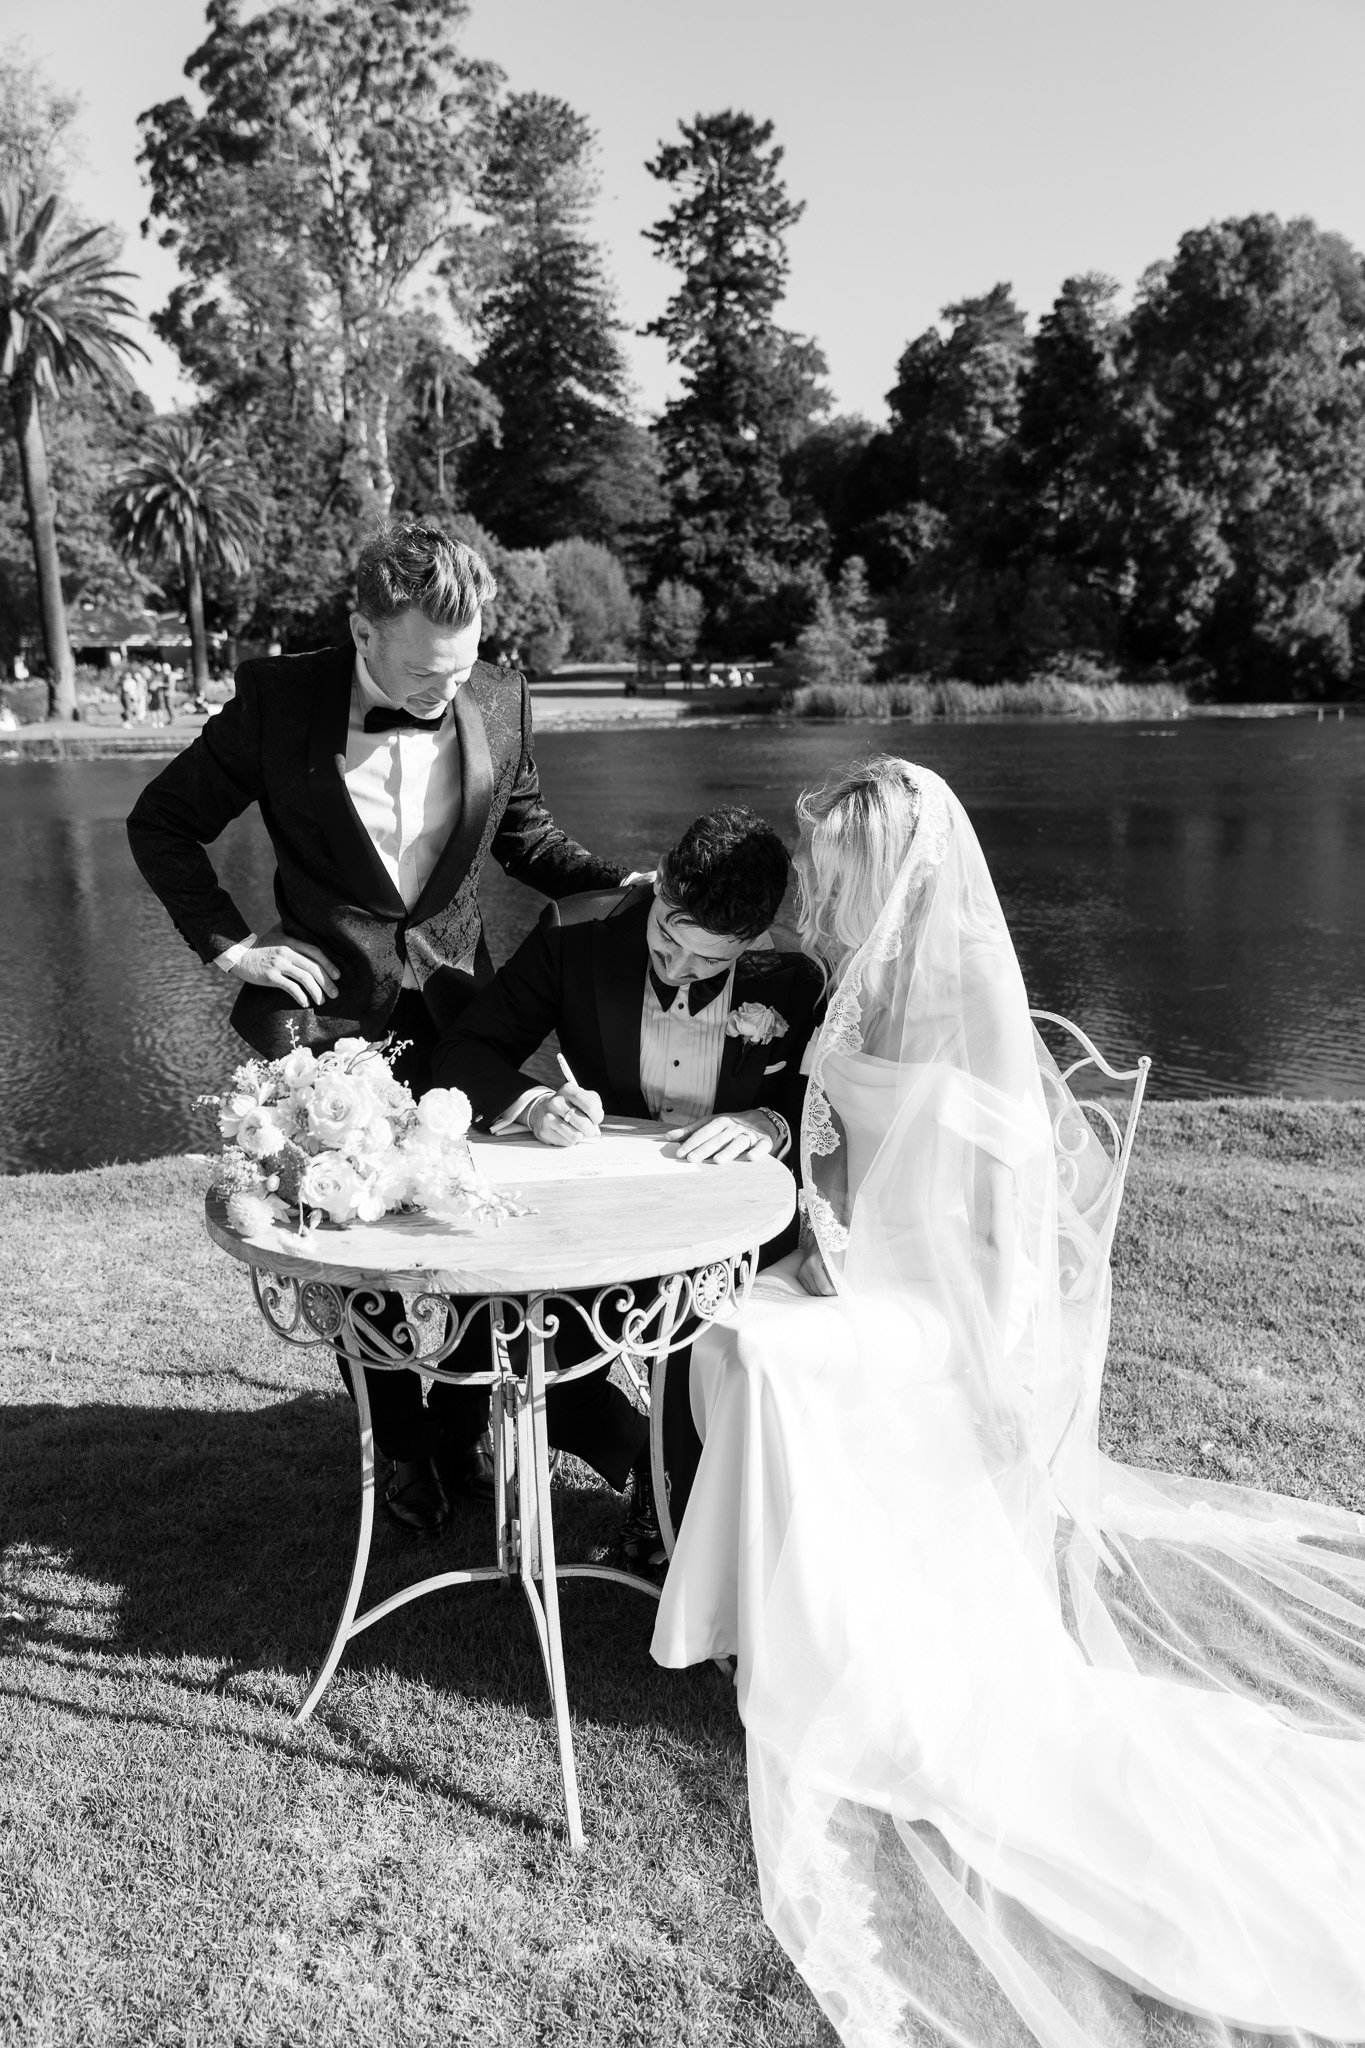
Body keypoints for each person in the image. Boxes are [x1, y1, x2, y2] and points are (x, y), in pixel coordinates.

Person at [652, 756, 1365, 2048]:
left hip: (940, 1313)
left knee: (759, 1354)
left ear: (884, 869)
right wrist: (813, 1222)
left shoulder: (966, 1000)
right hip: (860, 1276)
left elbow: (1014, 1216)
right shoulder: (853, 982)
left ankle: (820, 1661)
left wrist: (986, 1353)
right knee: (733, 1330)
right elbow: (844, 1152)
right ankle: (769, 1621)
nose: (812, 889)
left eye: (830, 869)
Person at [128, 519, 629, 1536]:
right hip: (325, 1028)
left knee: (475, 1218)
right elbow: (162, 821)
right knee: (362, 1245)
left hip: (465, 1011)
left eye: (465, 662)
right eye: (425, 674)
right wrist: (234, 948)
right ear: (361, 626)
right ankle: (404, 1445)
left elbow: (523, 835)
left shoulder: (498, 695)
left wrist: (624, 884)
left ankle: (464, 1415)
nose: (452, 689)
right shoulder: (279, 701)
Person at [434, 804, 824, 1570]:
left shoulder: (797, 976)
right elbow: (467, 1051)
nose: (676, 967)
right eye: (667, 937)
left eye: (707, 963)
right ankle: (649, 1472)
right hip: (602, 1206)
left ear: (752, 942)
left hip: (736, 1221)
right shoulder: (572, 930)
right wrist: (534, 1101)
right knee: (548, 1356)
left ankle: (702, 1517)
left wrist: (767, 1125)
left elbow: (826, 1110)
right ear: (660, 884)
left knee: (706, 1362)